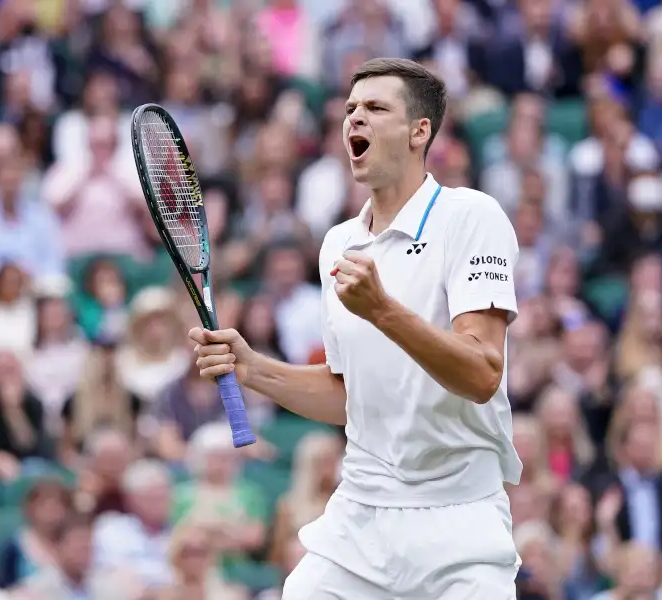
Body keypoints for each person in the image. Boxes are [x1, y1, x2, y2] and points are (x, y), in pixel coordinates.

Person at [191, 57, 522, 599]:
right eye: (350, 109)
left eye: (375, 108)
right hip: (360, 518)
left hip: (461, 520)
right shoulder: (338, 245)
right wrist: (253, 369)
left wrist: (383, 310)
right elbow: (349, 396)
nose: (354, 119)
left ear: (419, 131)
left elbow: (483, 373)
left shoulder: (471, 217)